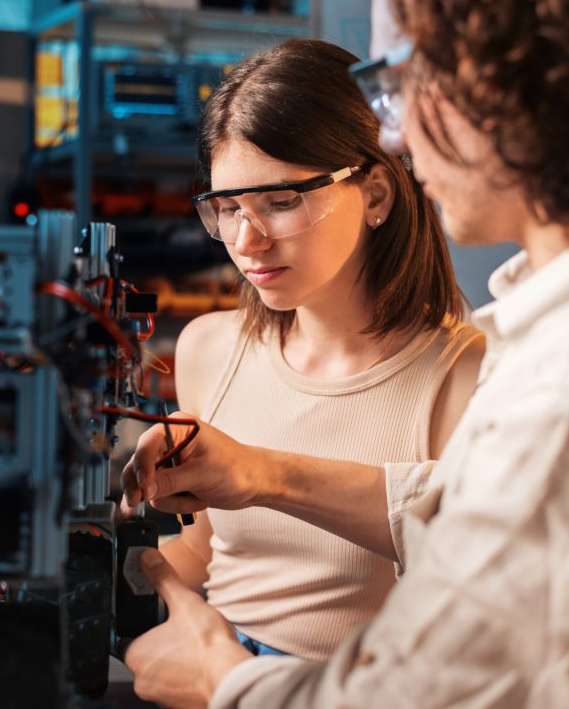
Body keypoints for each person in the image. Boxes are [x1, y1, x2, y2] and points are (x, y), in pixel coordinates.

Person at [123, 0, 569, 706]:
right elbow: (469, 508)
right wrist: (256, 477)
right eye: (228, 209)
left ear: (500, 78)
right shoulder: (561, 329)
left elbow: (438, 688)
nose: (394, 135)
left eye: (399, 79)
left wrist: (224, 679)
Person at [124, 38, 483, 661]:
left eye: (281, 202)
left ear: (375, 193)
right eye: (226, 206)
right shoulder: (210, 349)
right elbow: (209, 552)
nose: (247, 239)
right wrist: (98, 575)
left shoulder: (464, 374)